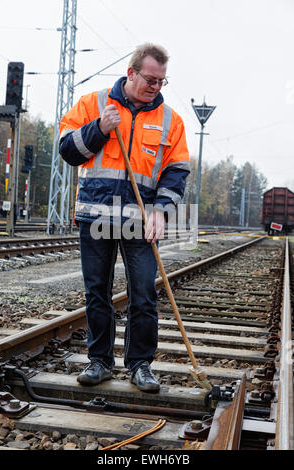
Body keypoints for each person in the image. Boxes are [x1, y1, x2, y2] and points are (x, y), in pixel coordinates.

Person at [59, 43, 190, 392]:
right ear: (131, 72)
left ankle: (140, 365)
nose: (156, 87)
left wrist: (161, 210)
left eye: (162, 81)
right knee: (97, 292)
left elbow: (177, 171)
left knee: (144, 294)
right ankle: (99, 362)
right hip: (95, 217)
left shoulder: (170, 121)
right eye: (150, 79)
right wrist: (99, 128)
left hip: (141, 221)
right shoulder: (93, 104)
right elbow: (68, 151)